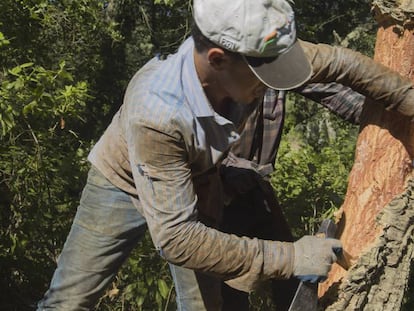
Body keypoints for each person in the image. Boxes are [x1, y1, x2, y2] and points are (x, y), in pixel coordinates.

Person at [37, 0, 414, 310]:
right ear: (217, 59)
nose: (274, 85)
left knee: (206, 307)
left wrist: (406, 99)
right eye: (264, 77)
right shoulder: (157, 111)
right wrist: (292, 257)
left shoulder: (258, 52)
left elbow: (341, 63)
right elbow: (178, 239)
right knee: (69, 300)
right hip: (120, 183)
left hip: (197, 182)